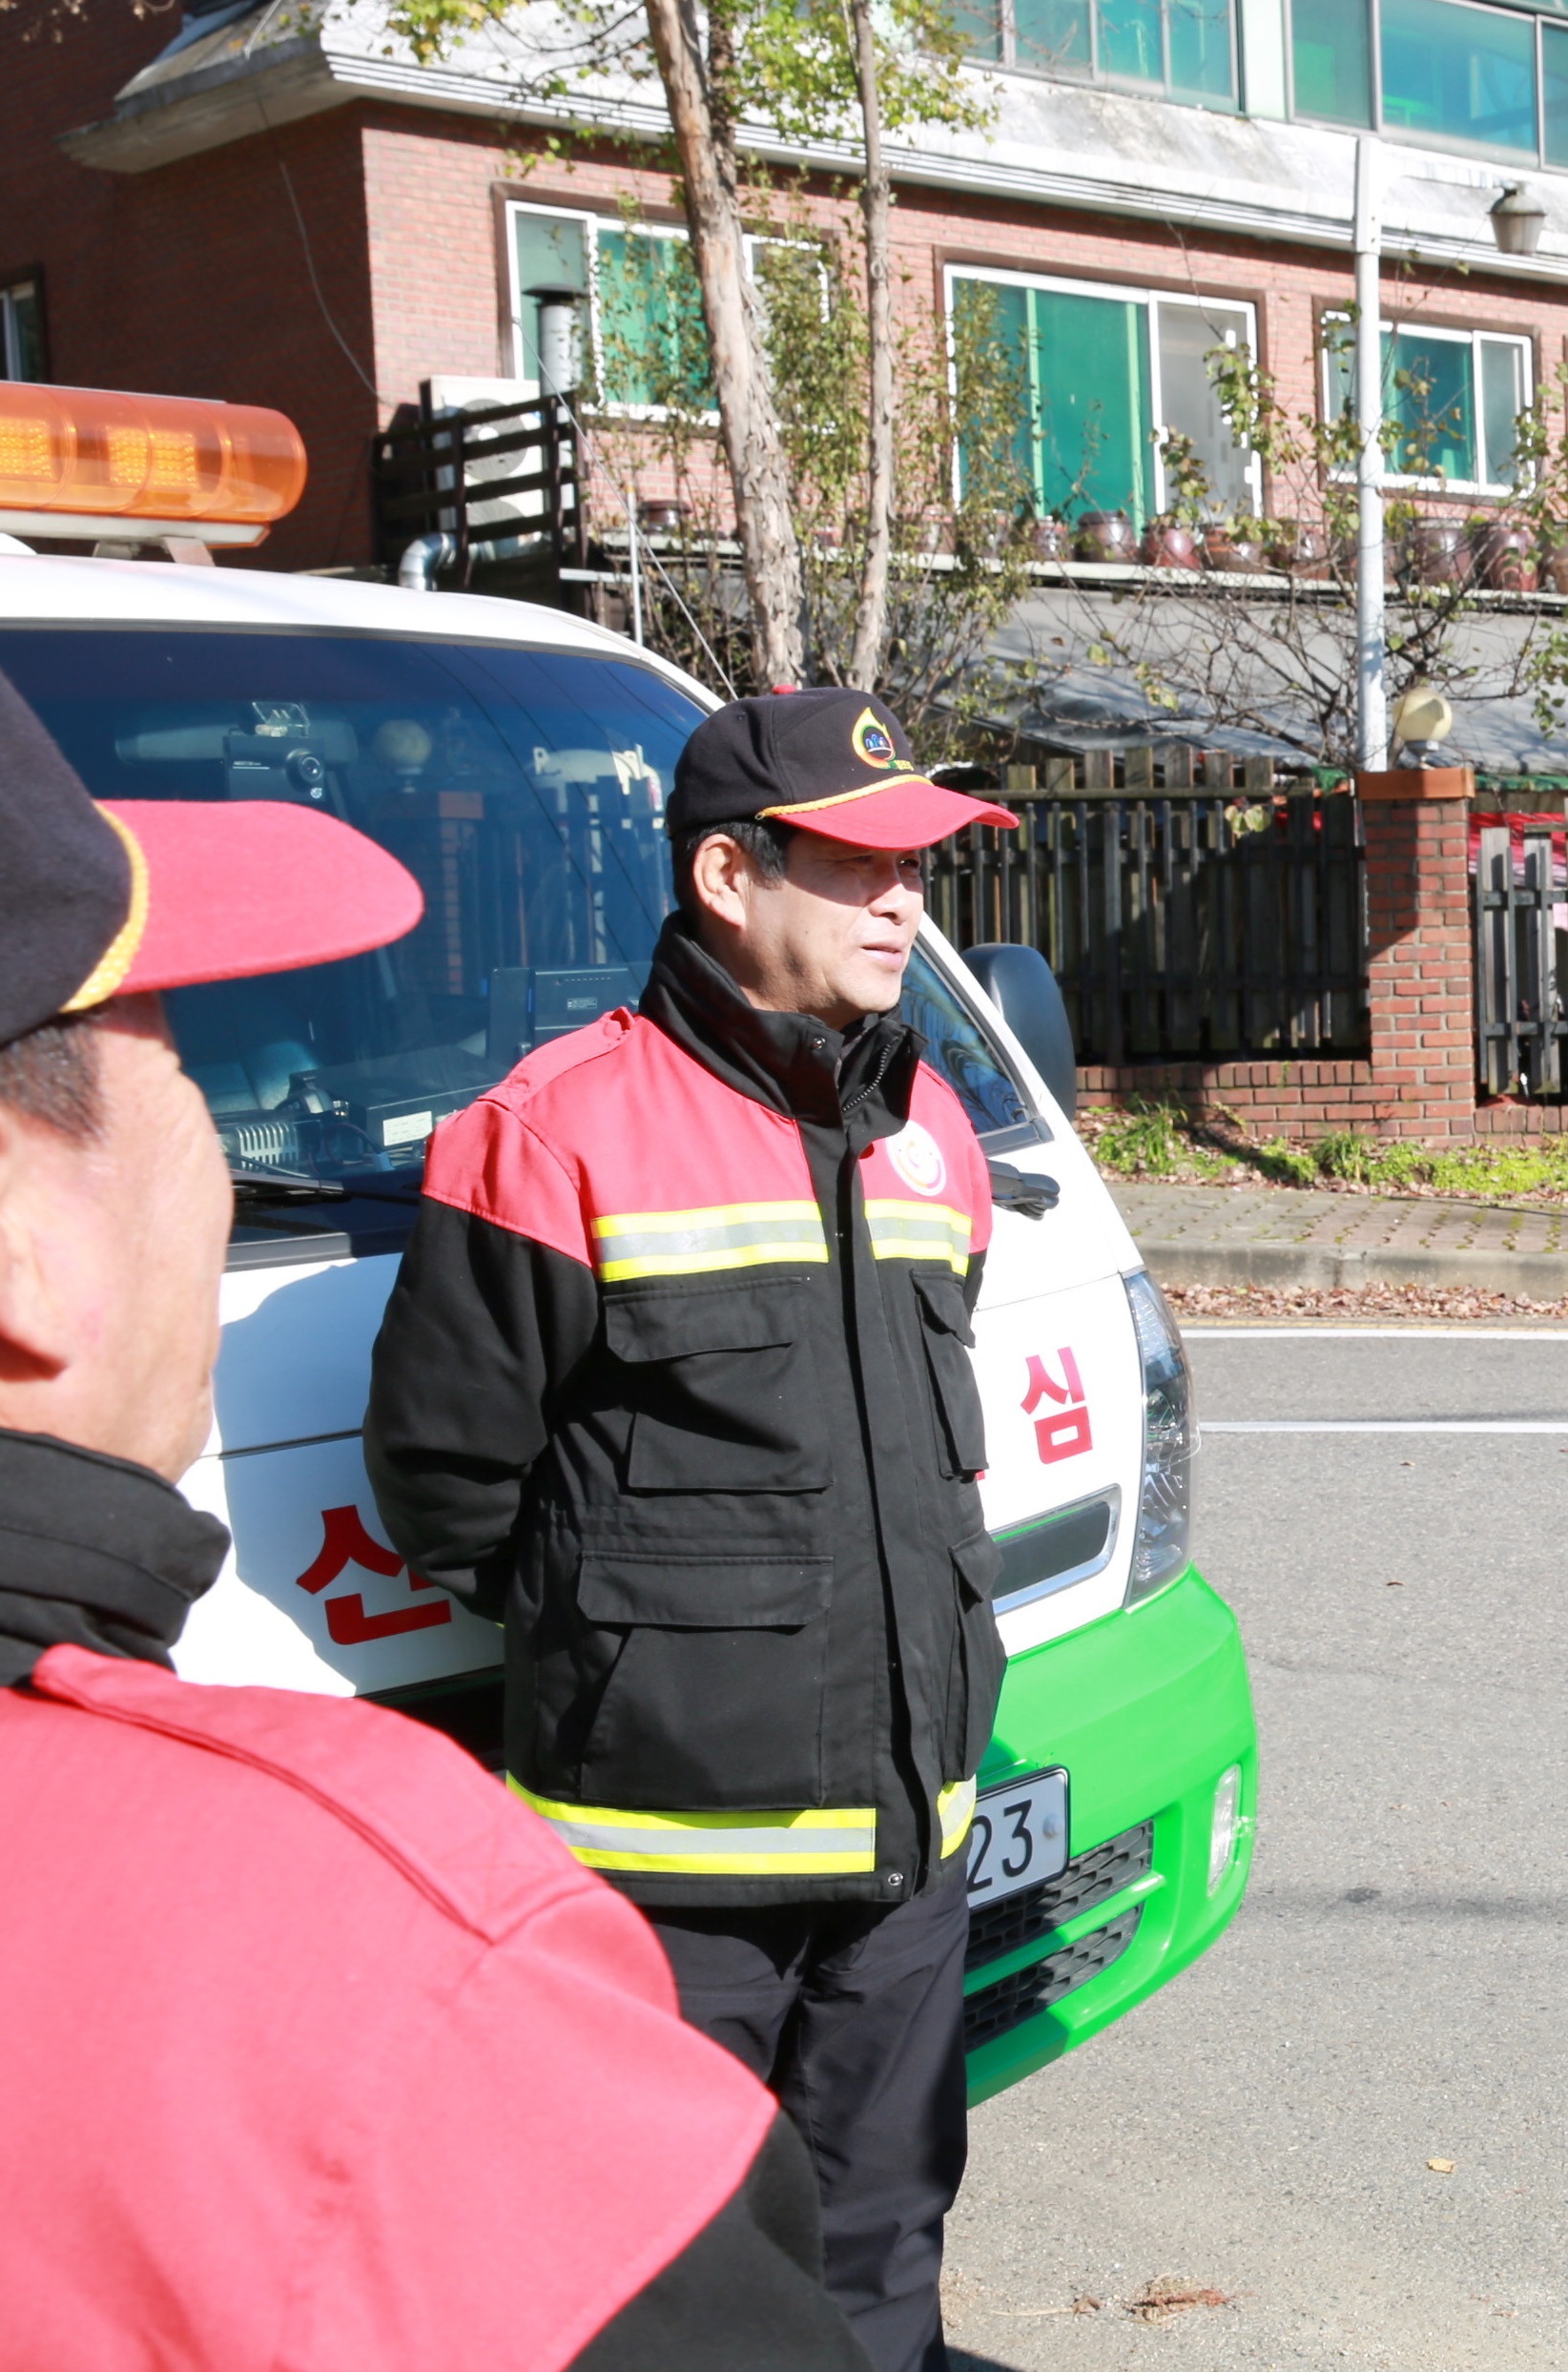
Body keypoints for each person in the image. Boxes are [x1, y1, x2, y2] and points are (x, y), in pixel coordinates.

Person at [0, 672, 868, 2370]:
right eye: (176, 1044)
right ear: (20, 1244)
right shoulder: (369, 1963)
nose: (207, 1123)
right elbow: (463, 1480)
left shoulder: (916, 1129)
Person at [366, 689, 1021, 2372]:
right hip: (667, 1884)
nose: (905, 905)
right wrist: (651, 1660)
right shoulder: (550, 1130)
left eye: (923, 869)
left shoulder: (929, 1122)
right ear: (730, 876)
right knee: (671, 2292)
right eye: (863, 864)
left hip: (906, 1853)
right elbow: (451, 1482)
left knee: (884, 2255)